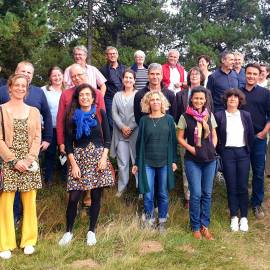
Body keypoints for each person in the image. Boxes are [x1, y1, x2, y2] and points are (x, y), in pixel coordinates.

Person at [58, 83, 114, 247]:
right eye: (81, 95)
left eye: (88, 94)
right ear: (77, 97)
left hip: (98, 159)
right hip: (79, 160)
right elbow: (68, 144)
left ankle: (91, 231)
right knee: (74, 197)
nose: (85, 97)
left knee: (96, 196)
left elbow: (107, 139)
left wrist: (104, 158)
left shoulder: (99, 113)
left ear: (93, 97)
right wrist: (73, 165)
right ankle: (68, 232)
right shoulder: (71, 116)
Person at [0, 61, 52, 224]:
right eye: (23, 71)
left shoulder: (37, 93)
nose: (26, 74)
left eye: (29, 72)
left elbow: (47, 115)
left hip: (31, 150)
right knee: (9, 190)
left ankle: (25, 219)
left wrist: (48, 138)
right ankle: (13, 218)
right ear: (15, 72)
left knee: (28, 189)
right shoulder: (2, 92)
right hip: (7, 152)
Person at [0, 74, 42, 259]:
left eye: (23, 86)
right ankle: (5, 244)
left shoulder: (34, 111)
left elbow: (37, 138)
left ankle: (28, 241)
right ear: (10, 88)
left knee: (29, 203)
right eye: (16, 85)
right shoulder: (1, 110)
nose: (19, 88)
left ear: (26, 89)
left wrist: (28, 159)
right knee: (6, 204)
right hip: (8, 162)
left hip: (30, 162)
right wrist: (13, 160)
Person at [132, 91, 178, 232]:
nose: (155, 102)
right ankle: (150, 220)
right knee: (148, 193)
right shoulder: (144, 120)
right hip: (147, 162)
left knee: (163, 193)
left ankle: (162, 222)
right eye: (152, 100)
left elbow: (173, 142)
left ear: (162, 102)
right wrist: (136, 163)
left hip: (165, 161)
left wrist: (174, 161)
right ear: (148, 103)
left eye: (158, 99)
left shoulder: (169, 119)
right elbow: (139, 143)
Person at [178, 86, 217, 240]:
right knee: (196, 194)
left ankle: (204, 226)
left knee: (207, 194)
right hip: (192, 160)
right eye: (196, 98)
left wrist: (211, 148)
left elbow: (214, 135)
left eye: (201, 98)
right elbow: (180, 138)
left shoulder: (210, 115)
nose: (199, 101)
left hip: (209, 160)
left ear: (205, 100)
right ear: (191, 99)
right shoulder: (184, 117)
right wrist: (192, 149)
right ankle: (195, 226)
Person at [215, 88, 254, 232]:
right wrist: (221, 152)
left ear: (239, 100)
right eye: (230, 97)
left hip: (243, 153)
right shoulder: (219, 115)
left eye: (235, 97)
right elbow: (216, 137)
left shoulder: (246, 115)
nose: (232, 99)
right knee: (231, 185)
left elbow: (250, 134)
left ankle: (244, 217)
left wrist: (247, 150)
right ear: (226, 100)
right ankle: (233, 217)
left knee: (243, 186)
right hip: (227, 154)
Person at [175, 67, 213, 208]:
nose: (194, 76)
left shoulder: (207, 93)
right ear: (188, 77)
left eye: (197, 74)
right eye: (192, 74)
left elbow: (211, 113)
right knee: (187, 167)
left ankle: (203, 197)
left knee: (205, 166)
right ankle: (189, 197)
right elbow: (176, 115)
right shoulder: (180, 95)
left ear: (202, 77)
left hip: (204, 137)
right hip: (186, 137)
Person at [240, 63, 270, 219]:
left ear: (260, 76)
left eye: (254, 74)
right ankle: (241, 202)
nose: (251, 76)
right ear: (245, 74)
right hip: (240, 139)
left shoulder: (265, 93)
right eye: (249, 73)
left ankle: (256, 203)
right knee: (242, 172)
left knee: (258, 173)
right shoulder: (238, 92)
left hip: (258, 138)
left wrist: (264, 133)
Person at [110, 69, 138, 197]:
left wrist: (130, 128)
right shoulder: (117, 95)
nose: (128, 80)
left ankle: (141, 189)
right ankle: (122, 188)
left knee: (137, 162)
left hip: (135, 134)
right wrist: (122, 127)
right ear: (122, 79)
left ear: (134, 80)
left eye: (130, 77)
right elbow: (114, 113)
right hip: (120, 134)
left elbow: (140, 113)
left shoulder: (139, 95)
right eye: (126, 77)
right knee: (122, 163)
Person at [41, 66, 66, 186]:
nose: (57, 77)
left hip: (65, 128)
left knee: (64, 153)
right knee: (50, 153)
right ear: (50, 77)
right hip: (49, 128)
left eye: (59, 75)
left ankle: (65, 178)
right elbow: (39, 108)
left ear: (63, 76)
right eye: (54, 75)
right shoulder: (44, 91)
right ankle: (48, 179)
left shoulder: (68, 90)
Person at [100, 46, 126, 131]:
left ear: (117, 55)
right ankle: (113, 140)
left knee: (124, 117)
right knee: (111, 120)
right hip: (109, 98)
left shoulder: (124, 68)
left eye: (114, 53)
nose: (112, 55)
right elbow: (101, 85)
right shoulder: (102, 70)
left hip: (123, 96)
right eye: (110, 54)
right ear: (106, 56)